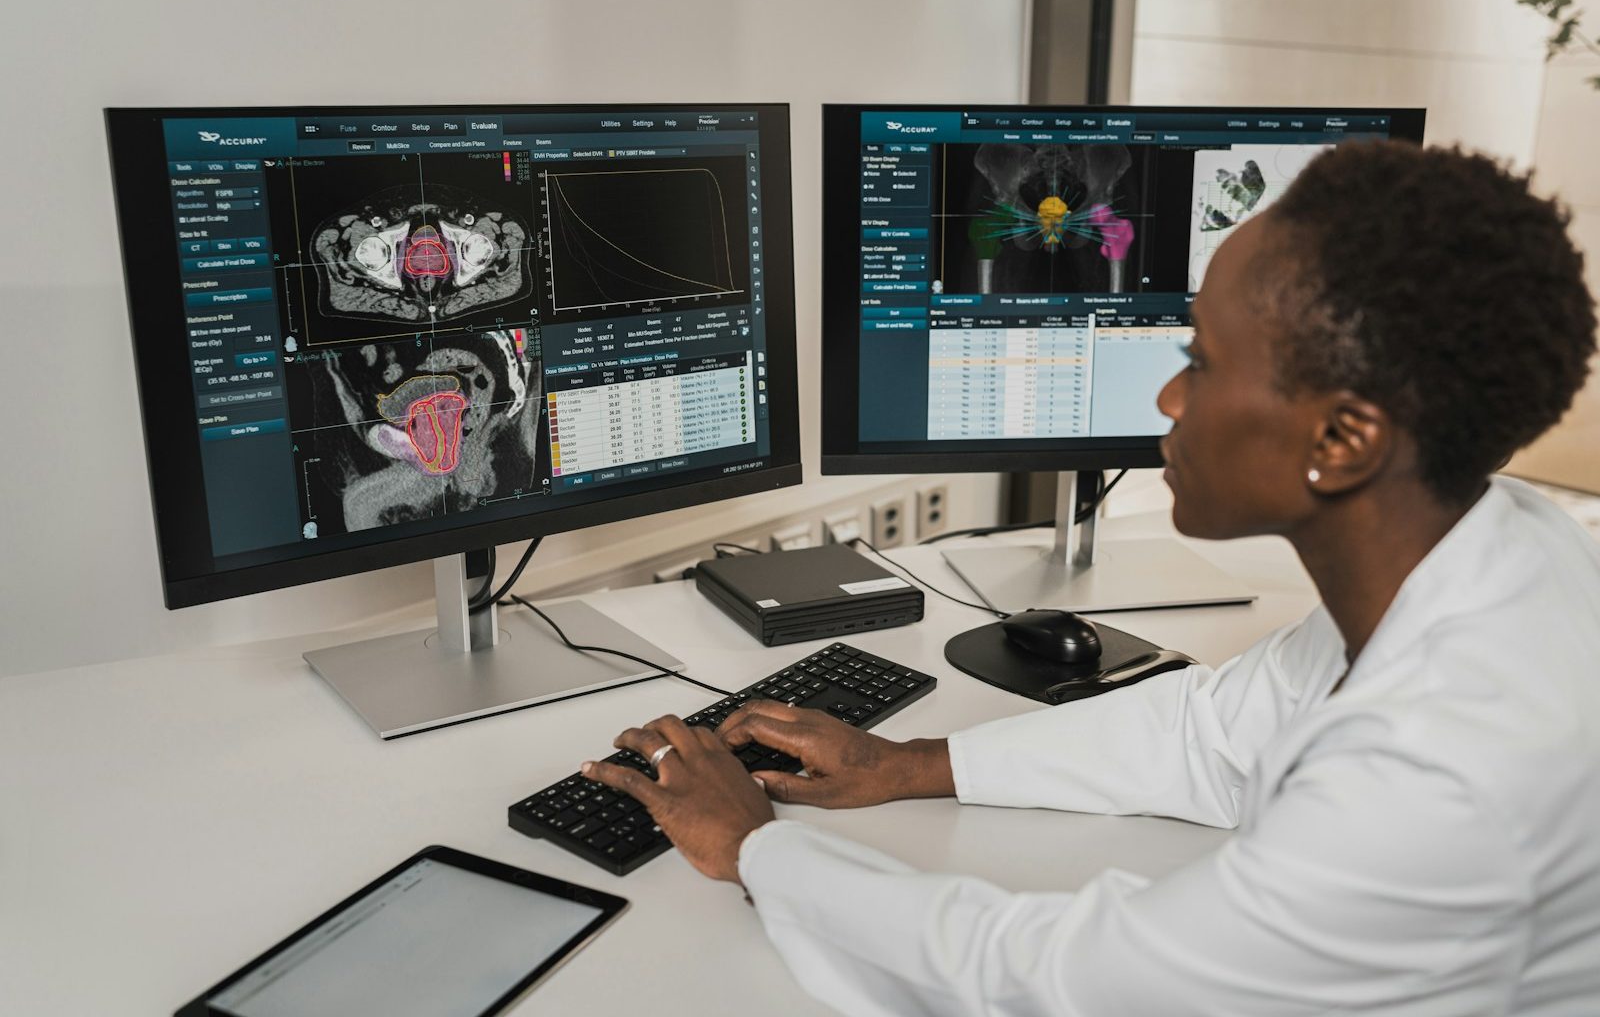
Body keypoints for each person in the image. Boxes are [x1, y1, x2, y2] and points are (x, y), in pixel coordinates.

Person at [582, 141, 1600, 1015]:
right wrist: (905, 763)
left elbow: (1058, 983)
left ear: (1340, 438)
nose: (1165, 392)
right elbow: (1210, 732)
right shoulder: (1483, 543)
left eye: (1199, 361)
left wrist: (758, 849)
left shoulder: (1445, 768)